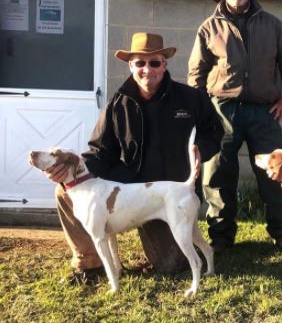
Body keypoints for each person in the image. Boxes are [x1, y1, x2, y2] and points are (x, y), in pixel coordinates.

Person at [46, 32, 222, 284]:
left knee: (172, 265)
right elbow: (99, 151)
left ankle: (155, 243)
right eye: (140, 63)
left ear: (165, 64)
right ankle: (89, 264)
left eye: (154, 63)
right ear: (130, 66)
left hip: (165, 194)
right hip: (125, 192)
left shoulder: (190, 98)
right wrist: (69, 171)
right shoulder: (117, 103)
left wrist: (200, 149)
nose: (147, 69)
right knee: (64, 191)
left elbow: (215, 131)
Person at [188, 0, 282, 252]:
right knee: (218, 173)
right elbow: (196, 72)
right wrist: (201, 110)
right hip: (221, 109)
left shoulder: (273, 24)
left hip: (264, 111)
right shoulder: (209, 28)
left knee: (275, 173)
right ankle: (222, 237)